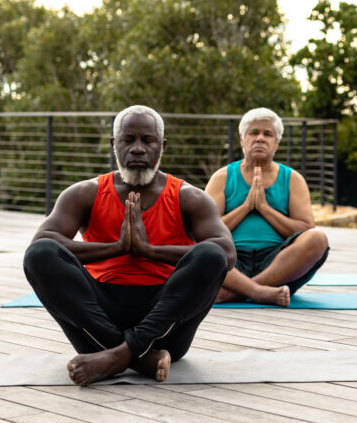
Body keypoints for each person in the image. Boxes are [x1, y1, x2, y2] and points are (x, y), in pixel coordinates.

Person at [23, 105, 235, 386]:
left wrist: (149, 251)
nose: (137, 149)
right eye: (128, 140)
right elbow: (42, 241)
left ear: (162, 146)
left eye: (147, 140)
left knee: (212, 255)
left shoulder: (189, 197)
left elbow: (227, 253)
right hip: (97, 320)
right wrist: (117, 247)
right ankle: (137, 357)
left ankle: (116, 356)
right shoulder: (85, 193)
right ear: (114, 144)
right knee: (39, 255)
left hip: (165, 324)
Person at [205, 108, 329, 306]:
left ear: (276, 143)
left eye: (267, 134)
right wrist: (245, 207)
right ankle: (259, 292)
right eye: (254, 133)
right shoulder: (222, 177)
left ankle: (239, 292)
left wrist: (265, 208)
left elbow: (306, 229)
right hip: (232, 263)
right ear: (242, 139)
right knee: (197, 244)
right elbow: (206, 230)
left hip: (279, 263)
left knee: (317, 239)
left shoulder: (293, 179)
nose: (260, 138)